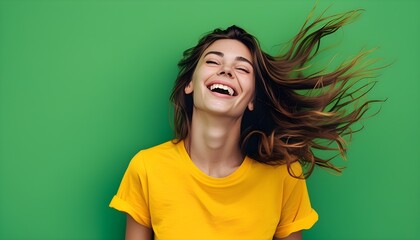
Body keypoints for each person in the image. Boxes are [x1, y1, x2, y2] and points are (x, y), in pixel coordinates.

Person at [109, 7, 381, 240]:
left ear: (252, 98)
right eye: (213, 61)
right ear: (190, 84)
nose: (226, 70)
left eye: (242, 68)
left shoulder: (284, 174)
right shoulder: (147, 168)